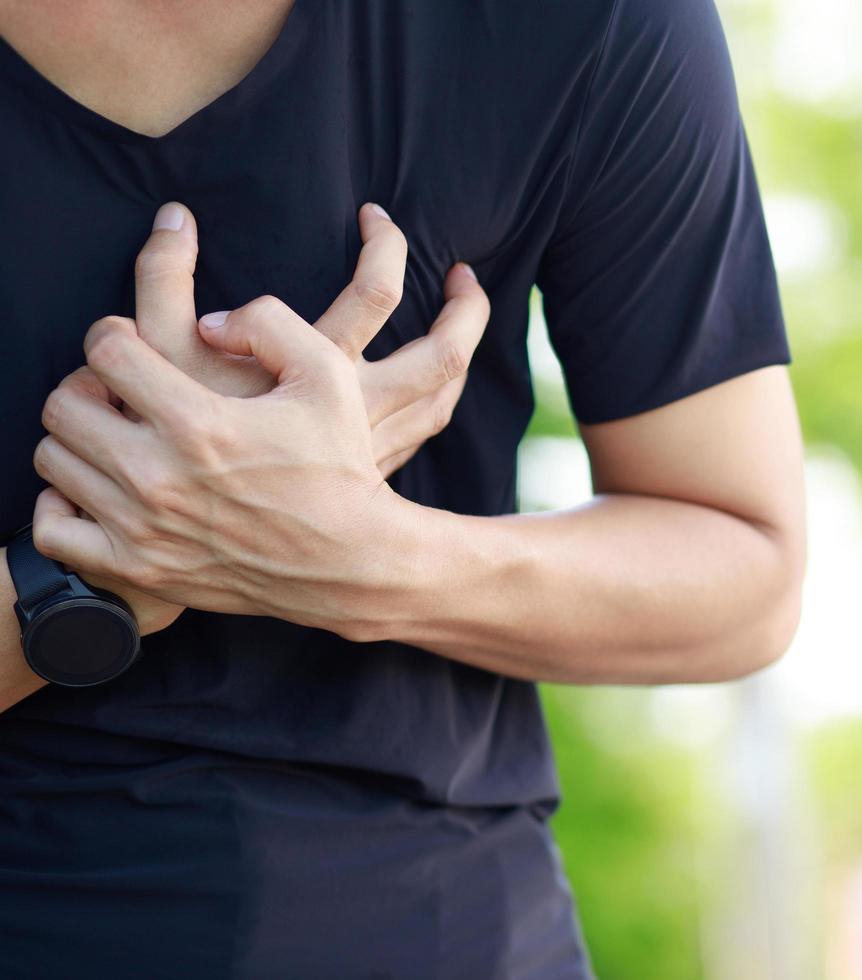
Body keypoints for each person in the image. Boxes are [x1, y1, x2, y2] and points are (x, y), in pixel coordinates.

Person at [0, 0, 806, 976]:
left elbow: (747, 570)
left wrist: (364, 552)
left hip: (438, 924)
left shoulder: (587, 22)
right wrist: (100, 567)